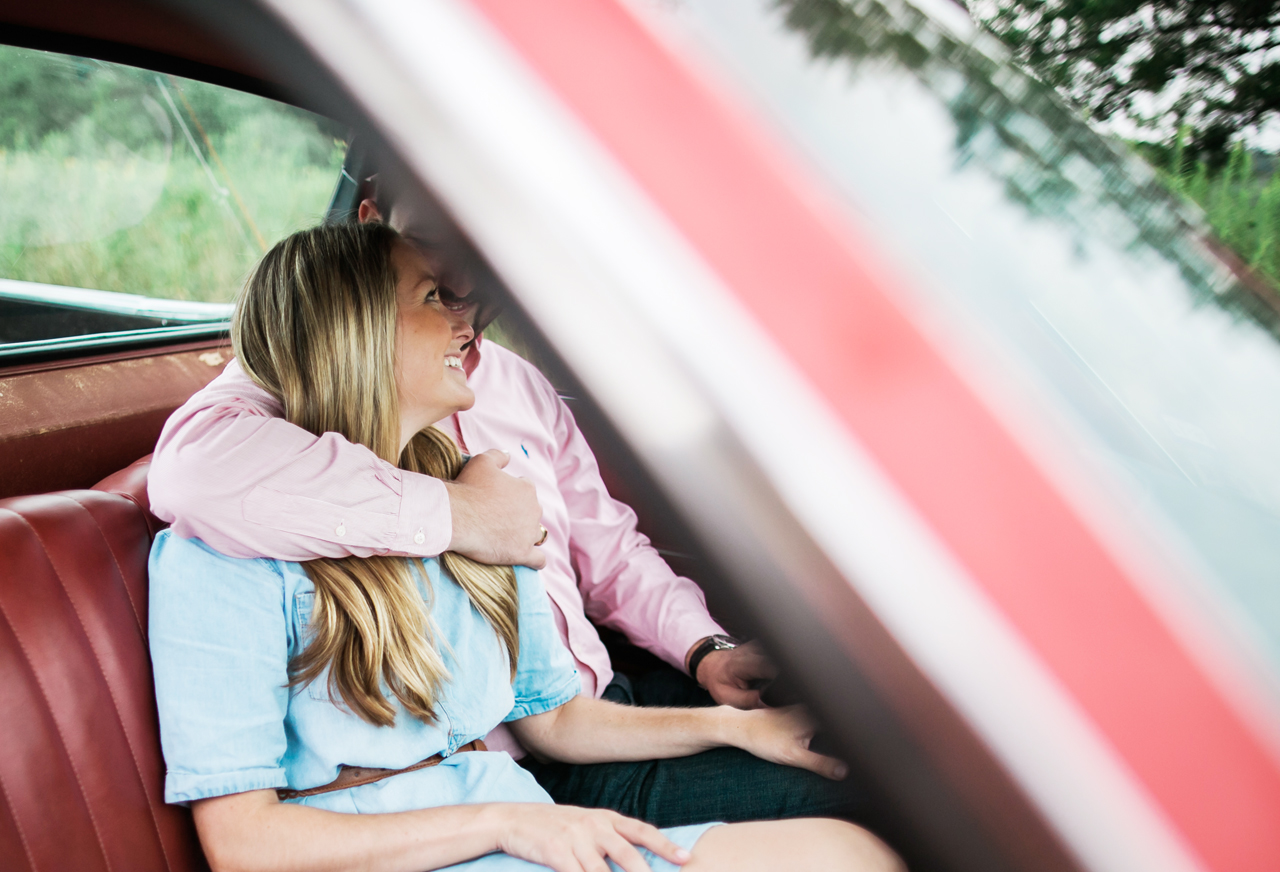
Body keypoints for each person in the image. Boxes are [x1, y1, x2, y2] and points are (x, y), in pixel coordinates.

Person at [147, 222, 1058, 872]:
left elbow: (559, 721)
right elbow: (247, 850)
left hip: (503, 859)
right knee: (852, 871)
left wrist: (735, 729)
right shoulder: (220, 552)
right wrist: (510, 820)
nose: (465, 315)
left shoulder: (478, 510)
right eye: (432, 297)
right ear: (354, 330)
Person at [145, 159, 860, 830]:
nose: (459, 272)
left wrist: (705, 650)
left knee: (853, 748)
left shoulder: (518, 386)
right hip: (516, 760)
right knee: (839, 803)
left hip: (597, 701)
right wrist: (462, 516)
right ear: (369, 227)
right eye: (431, 246)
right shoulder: (291, 387)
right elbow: (190, 472)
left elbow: (607, 549)